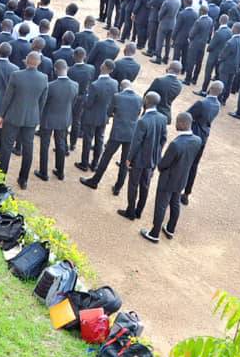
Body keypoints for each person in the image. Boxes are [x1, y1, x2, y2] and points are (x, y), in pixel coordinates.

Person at [140, 112, 203, 243]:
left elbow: (163, 164)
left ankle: (154, 233)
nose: (176, 124)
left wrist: (159, 164)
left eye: (178, 122)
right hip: (182, 179)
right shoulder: (197, 140)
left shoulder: (176, 144)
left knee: (161, 205)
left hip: (168, 180)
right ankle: (170, 229)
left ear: (183, 124)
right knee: (175, 203)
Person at [0, 51, 50, 189]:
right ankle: (23, 180)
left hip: (13, 116)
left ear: (26, 60)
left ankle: (0, 177)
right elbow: (42, 102)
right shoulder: (44, 78)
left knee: (6, 147)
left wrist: (1, 115)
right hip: (31, 118)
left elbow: (7, 97)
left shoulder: (16, 75)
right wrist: (37, 117)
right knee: (28, 149)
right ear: (39, 63)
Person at [80, 78, 141, 192]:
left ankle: (95, 181)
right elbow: (138, 113)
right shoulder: (139, 98)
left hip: (117, 133)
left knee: (106, 157)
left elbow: (109, 112)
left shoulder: (117, 97)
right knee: (125, 162)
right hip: (131, 134)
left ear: (121, 87)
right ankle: (118, 187)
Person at [119, 92, 167, 221]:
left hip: (139, 160)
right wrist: (156, 154)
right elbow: (163, 139)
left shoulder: (142, 121)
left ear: (146, 101)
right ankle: (139, 211)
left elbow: (136, 143)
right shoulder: (163, 118)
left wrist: (129, 159)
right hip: (152, 160)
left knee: (133, 185)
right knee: (145, 186)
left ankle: (130, 212)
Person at [37, 59, 79, 181]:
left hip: (48, 119)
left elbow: (43, 103)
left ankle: (43, 172)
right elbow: (73, 102)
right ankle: (60, 172)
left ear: (55, 70)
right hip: (64, 119)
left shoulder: (50, 86)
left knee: (44, 145)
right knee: (61, 145)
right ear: (67, 69)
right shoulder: (75, 85)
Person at [182, 81, 223, 205]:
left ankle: (176, 189)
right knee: (194, 165)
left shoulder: (201, 103)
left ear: (210, 88)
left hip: (193, 134)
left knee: (184, 163)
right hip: (204, 136)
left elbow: (187, 116)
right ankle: (186, 194)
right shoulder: (218, 104)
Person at [77, 60, 119, 172]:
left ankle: (84, 163)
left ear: (102, 67)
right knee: (99, 140)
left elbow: (88, 104)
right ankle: (95, 164)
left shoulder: (95, 85)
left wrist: (85, 98)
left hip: (91, 116)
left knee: (88, 140)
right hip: (104, 116)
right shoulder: (115, 83)